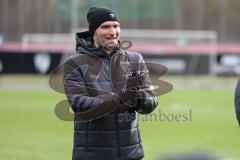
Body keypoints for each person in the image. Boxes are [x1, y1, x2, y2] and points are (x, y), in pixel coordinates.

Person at [63, 6, 158, 160]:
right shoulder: (75, 62)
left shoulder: (134, 59)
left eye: (116, 26)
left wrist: (139, 97)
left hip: (130, 153)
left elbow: (151, 102)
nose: (112, 32)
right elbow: (78, 103)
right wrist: (117, 98)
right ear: (93, 31)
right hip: (93, 154)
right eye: (105, 27)